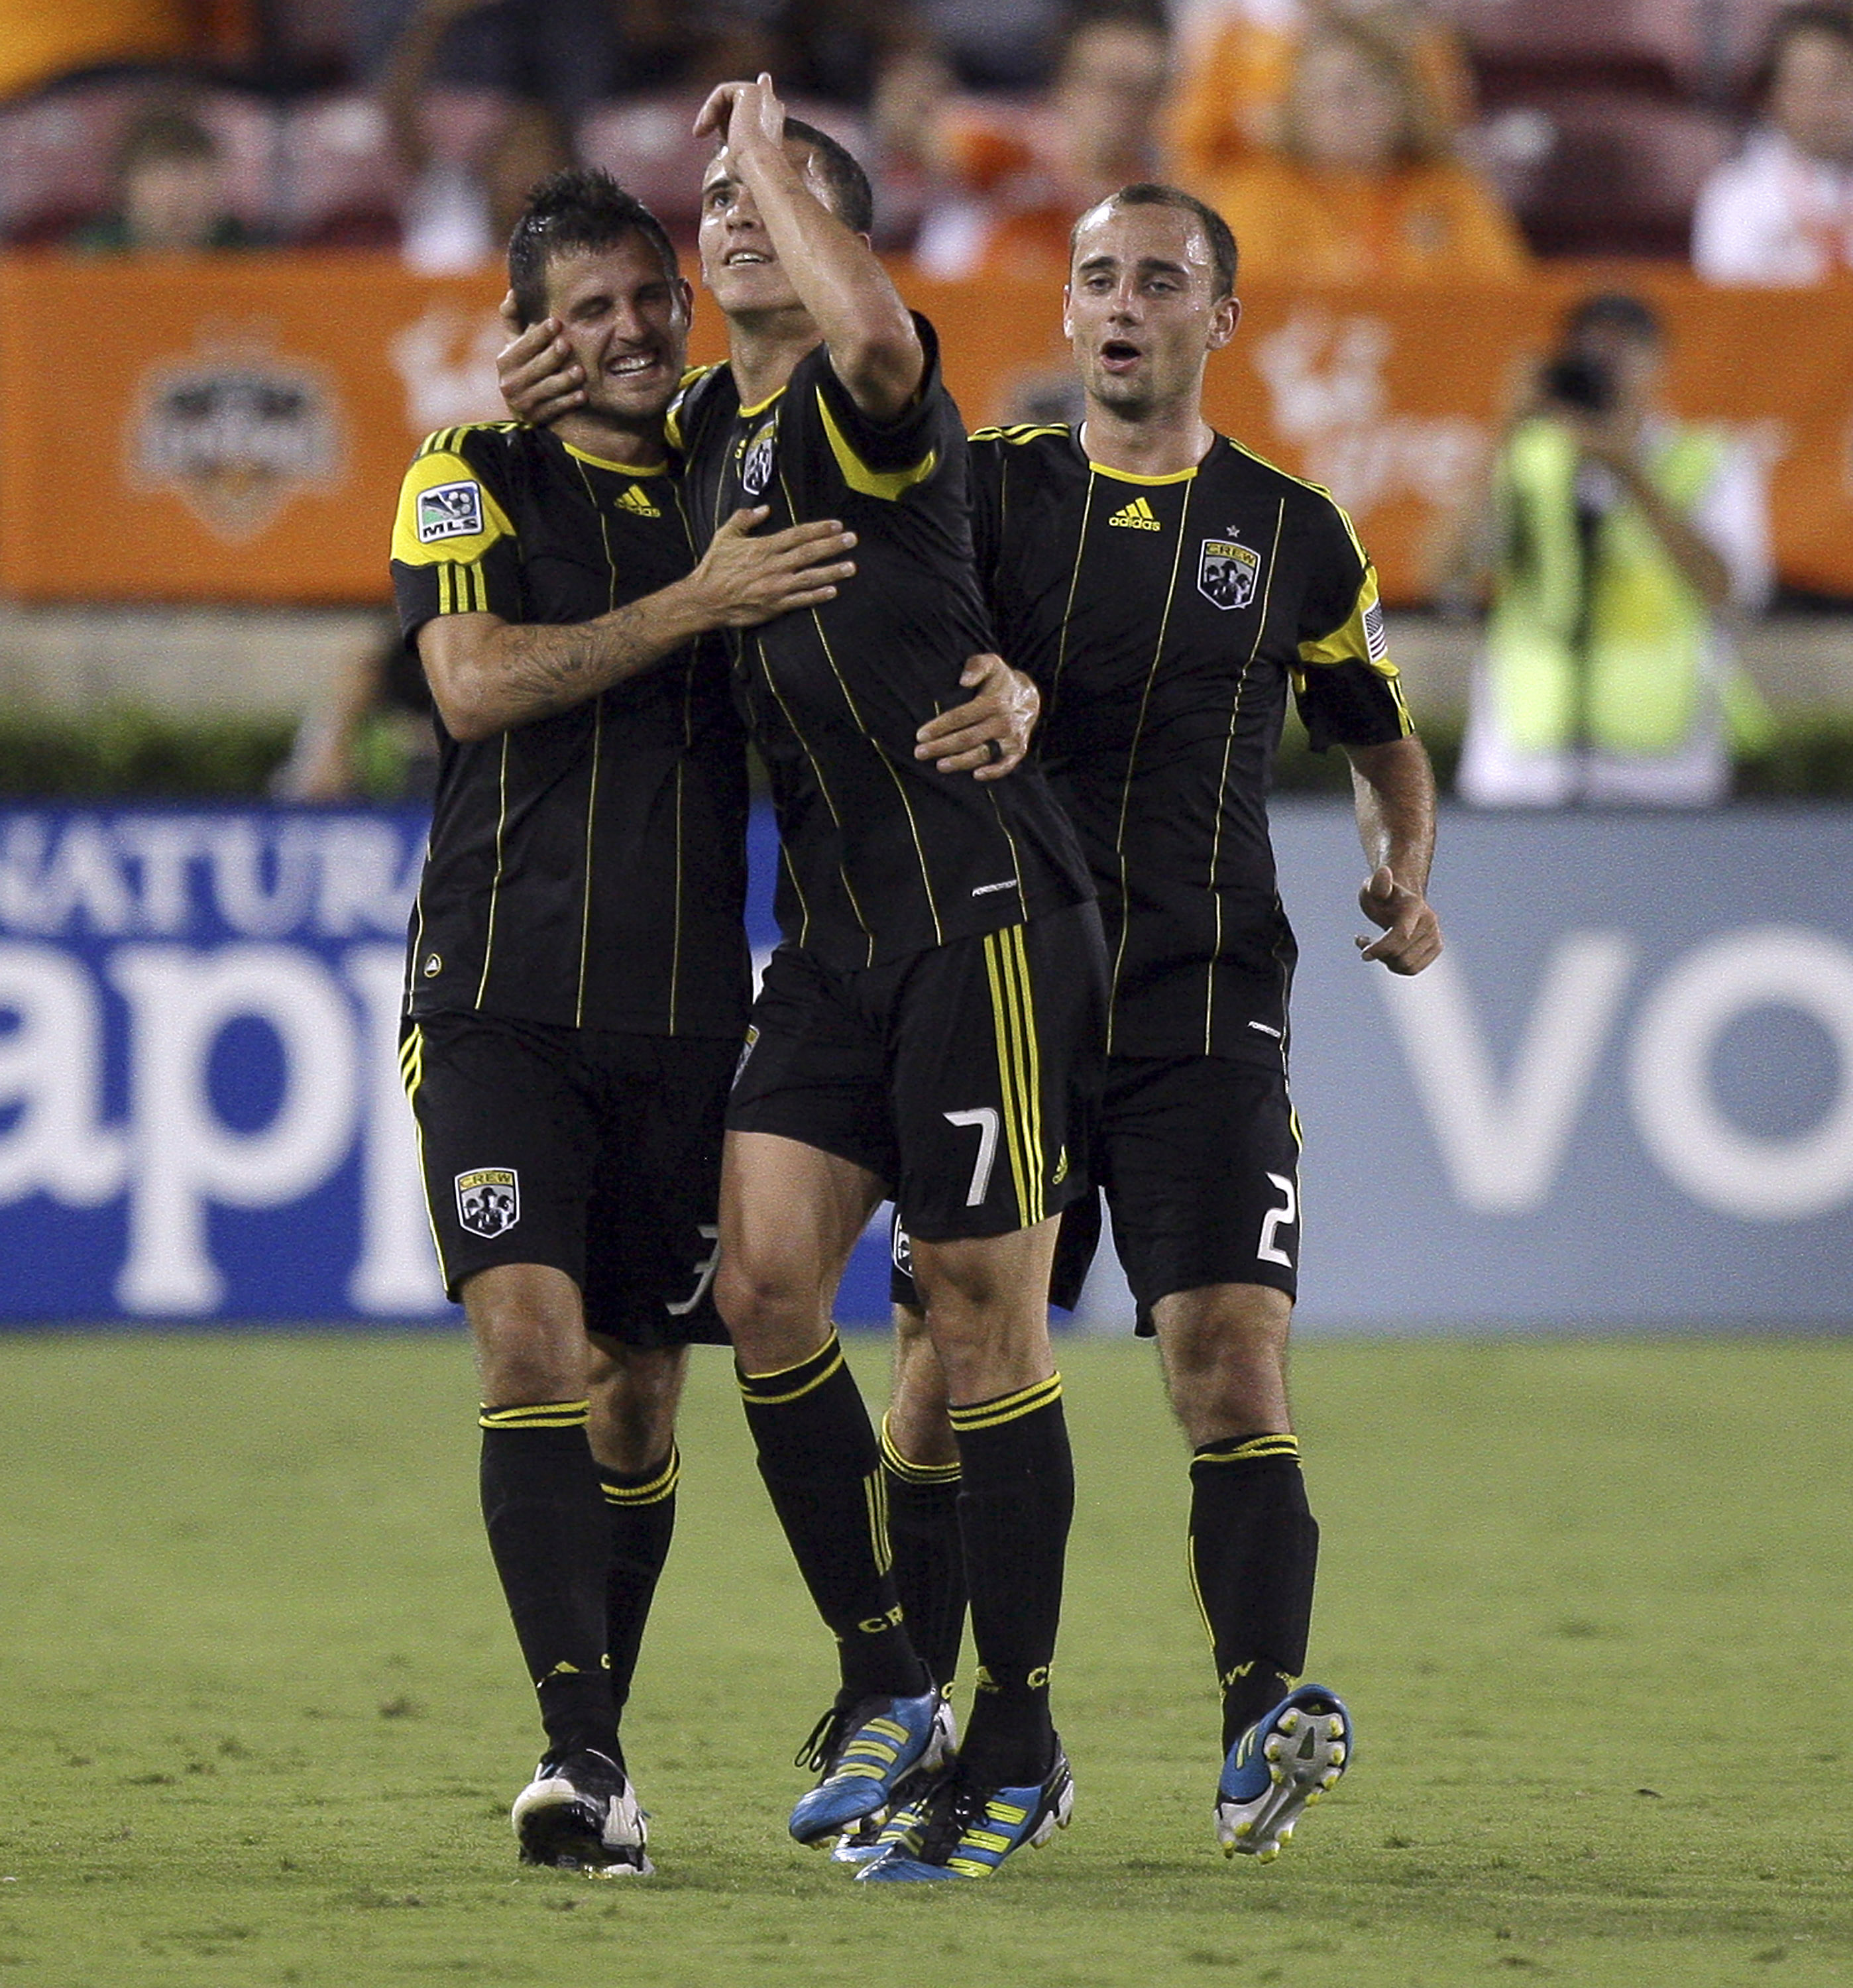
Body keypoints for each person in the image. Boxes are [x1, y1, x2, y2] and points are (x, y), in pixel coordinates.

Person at [499, 82, 1099, 1883]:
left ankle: (1020, 1724)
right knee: (762, 1292)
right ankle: (888, 1677)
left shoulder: (866, 397)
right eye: (718, 199)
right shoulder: (698, 433)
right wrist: (513, 406)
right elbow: (551, 448)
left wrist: (771, 143)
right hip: (834, 943)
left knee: (977, 1324)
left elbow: (872, 332)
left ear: (840, 231)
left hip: (982, 910)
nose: (731, 214)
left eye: (770, 196)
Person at [865, 182, 1442, 1867]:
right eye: (1098, 279)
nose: (1123, 306)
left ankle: (1264, 1708)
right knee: (934, 1382)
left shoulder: (1296, 528)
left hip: (1204, 998)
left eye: (1161, 282)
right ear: (1063, 314)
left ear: (1221, 317)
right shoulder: (984, 499)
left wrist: (1403, 875)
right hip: (1000, 989)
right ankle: (928, 1725)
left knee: (1230, 1354)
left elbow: (1379, 735)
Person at [388, 166, 868, 1874]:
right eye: (581, 309)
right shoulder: (467, 473)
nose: (627, 331)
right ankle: (579, 1756)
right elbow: (471, 684)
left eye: (646, 298)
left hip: (682, 1021)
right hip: (497, 998)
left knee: (641, 1402)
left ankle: (604, 1746)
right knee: (528, 1341)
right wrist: (690, 604)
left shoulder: (728, 473)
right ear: (526, 338)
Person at [1445, 291, 1774, 808]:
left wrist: (1629, 471)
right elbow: (1448, 573)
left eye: (1624, 356)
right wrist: (1502, 434)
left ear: (1661, 365)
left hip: (1663, 769)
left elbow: (1727, 590)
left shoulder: (1709, 459)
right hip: (1523, 767)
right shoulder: (1524, 458)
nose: (1609, 373)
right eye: (1592, 360)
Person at [1191, 13, 1526, 283]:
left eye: (1353, 91)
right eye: (1319, 93)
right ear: (1294, 106)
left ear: (1402, 101)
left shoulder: (1450, 193)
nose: (1339, 110)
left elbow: (1502, 302)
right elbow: (1235, 310)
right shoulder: (1258, 194)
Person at [903, 6, 1172, 280]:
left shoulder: (1154, 200)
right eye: (1111, 86)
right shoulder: (1013, 149)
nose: (1123, 107)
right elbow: (922, 134)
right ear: (1067, 86)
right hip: (984, 305)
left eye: (1145, 91)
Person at [1693, 1, 1853, 284]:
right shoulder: (1736, 194)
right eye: (1804, 84)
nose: (1821, 102)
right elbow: (1724, 309)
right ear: (1771, 97)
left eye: (1837, 81)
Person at [71, 101, 264, 252]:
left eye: (194, 186)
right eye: (160, 184)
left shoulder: (254, 260)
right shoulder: (90, 259)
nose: (178, 201)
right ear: (126, 189)